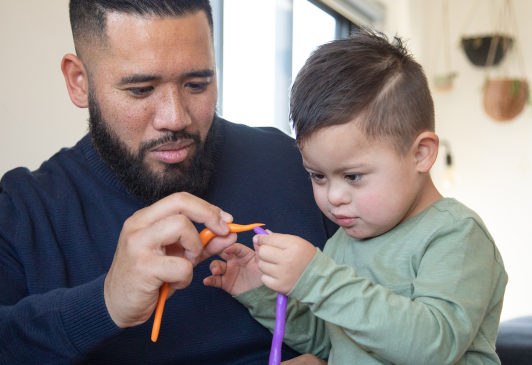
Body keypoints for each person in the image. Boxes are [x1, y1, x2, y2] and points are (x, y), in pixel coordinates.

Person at [0, 0, 337, 364]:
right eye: (141, 89)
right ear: (79, 82)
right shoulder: (26, 213)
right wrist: (103, 303)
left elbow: (394, 305)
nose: (175, 117)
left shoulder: (301, 167)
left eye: (197, 84)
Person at [204, 29, 508, 364]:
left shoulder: (456, 235)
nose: (334, 197)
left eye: (353, 177)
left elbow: (433, 346)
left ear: (421, 153)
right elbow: (331, 341)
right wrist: (261, 294)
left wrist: (316, 278)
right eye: (318, 176)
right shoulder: (343, 243)